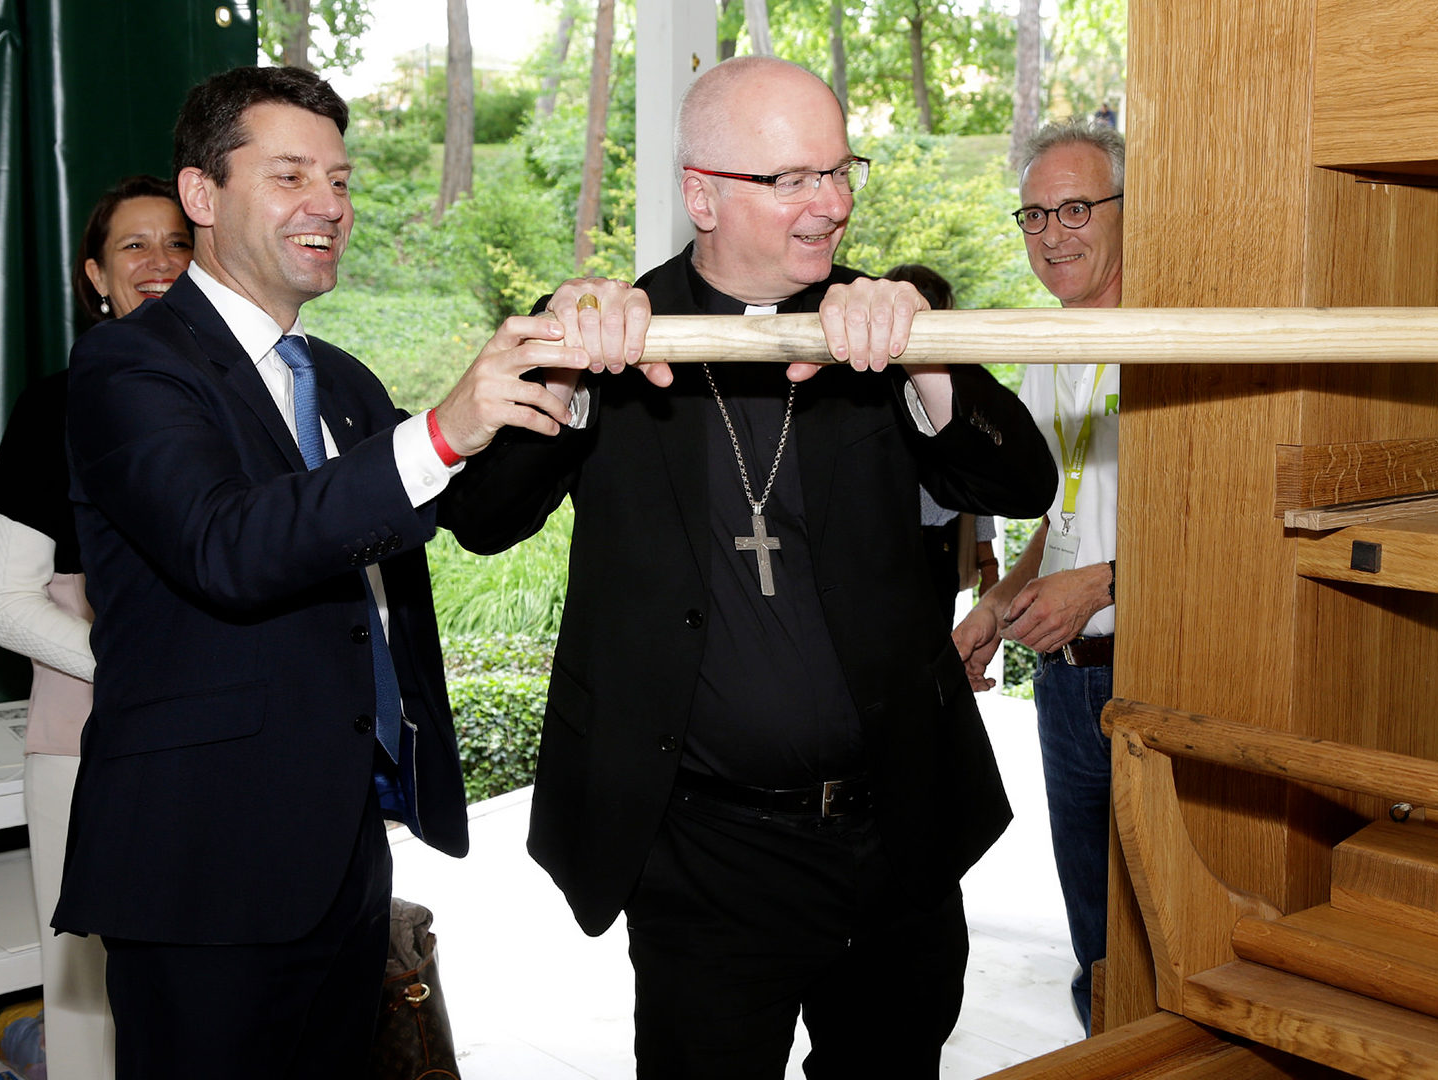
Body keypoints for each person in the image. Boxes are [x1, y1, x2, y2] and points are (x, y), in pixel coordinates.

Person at [439, 55, 1057, 1079]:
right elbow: (482, 519)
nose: (834, 204)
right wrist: (560, 370)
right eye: (794, 181)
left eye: (840, 170)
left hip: (896, 832)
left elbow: (1021, 483)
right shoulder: (614, 334)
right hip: (706, 856)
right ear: (702, 196)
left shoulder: (884, 322)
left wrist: (931, 360)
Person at [54, 66, 577, 1076]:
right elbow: (227, 546)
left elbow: (471, 514)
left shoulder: (336, 379)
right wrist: (439, 430)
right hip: (202, 867)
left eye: (340, 182)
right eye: (292, 176)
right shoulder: (131, 367)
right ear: (201, 196)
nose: (329, 207)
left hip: (339, 857)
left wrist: (568, 392)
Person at [0, 174, 191, 1080]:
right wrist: (141, 665)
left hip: (223, 753)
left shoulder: (249, 395)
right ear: (94, 276)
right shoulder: (54, 405)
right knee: (87, 1017)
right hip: (85, 746)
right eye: (133, 247)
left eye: (177, 243)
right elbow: (5, 605)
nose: (159, 262)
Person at [953, 116, 1124, 1034]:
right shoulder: (1044, 346)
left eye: (1075, 208)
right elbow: (1058, 526)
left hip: (1153, 673)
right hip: (1062, 689)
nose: (1053, 233)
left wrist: (1103, 584)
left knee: (1165, 932)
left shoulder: (1176, 340)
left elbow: (1227, 527)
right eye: (1033, 215)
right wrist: (1000, 600)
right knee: (1092, 939)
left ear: (1128, 213)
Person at [882, 262, 1001, 633]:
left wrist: (989, 565)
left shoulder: (960, 384)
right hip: (885, 549)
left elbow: (976, 475)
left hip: (942, 549)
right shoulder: (871, 386)